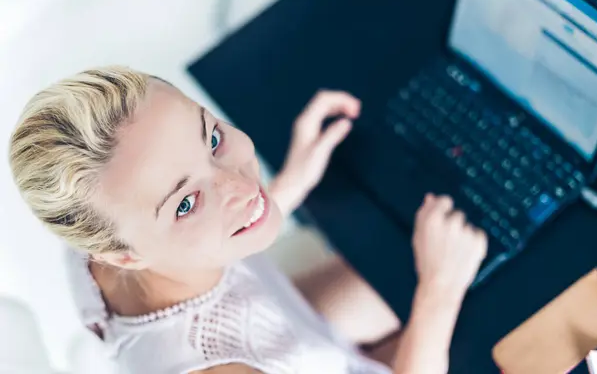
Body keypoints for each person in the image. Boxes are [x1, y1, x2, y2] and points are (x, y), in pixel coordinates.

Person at [8, 67, 487, 374]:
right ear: (123, 256)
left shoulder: (101, 228)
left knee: (430, 261)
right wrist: (438, 294)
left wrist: (290, 184)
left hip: (299, 328)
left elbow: (212, 197)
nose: (241, 187)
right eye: (185, 203)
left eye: (212, 139)